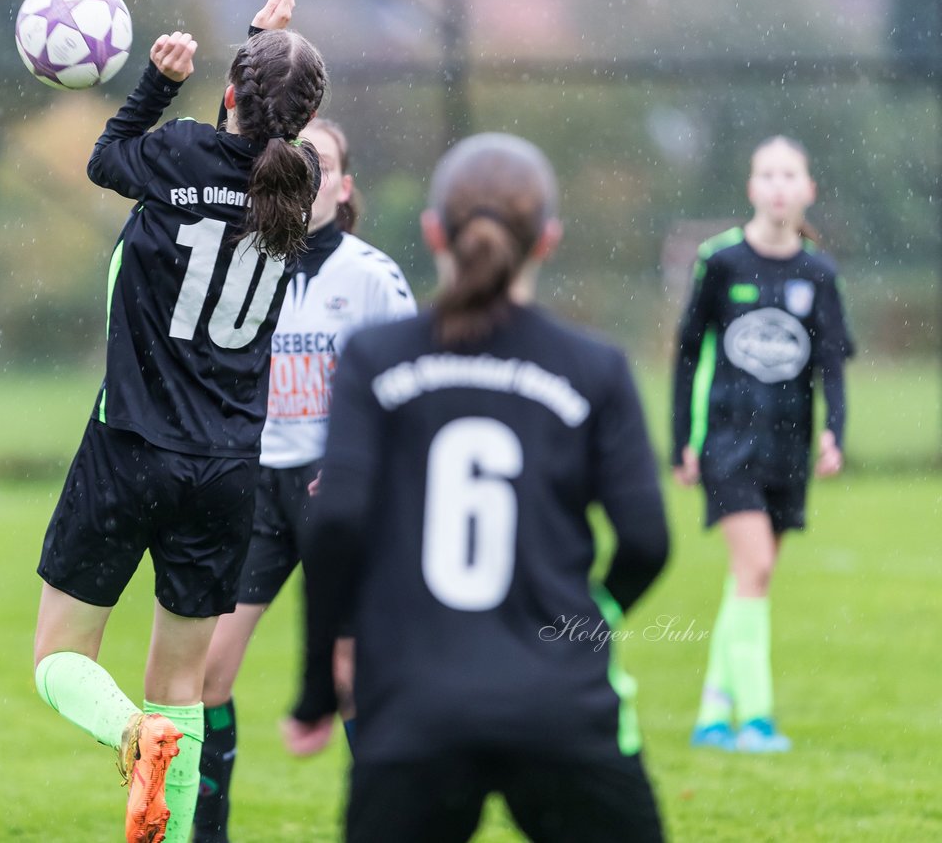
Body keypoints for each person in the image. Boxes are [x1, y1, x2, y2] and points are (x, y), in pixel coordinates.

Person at [285, 133, 669, 843]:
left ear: (434, 232)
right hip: (560, 708)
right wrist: (589, 619)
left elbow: (335, 522)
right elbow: (647, 540)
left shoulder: (376, 358)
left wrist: (316, 689)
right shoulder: (595, 368)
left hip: (412, 708)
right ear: (547, 241)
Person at [31, 0, 327, 841]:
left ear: (226, 96)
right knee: (185, 689)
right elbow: (262, 134)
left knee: (59, 658)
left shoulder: (177, 151)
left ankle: (132, 736)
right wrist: (265, 51)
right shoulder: (297, 186)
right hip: (231, 469)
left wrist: (159, 83)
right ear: (308, 122)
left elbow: (106, 157)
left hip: (130, 447)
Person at [193, 117, 417, 843]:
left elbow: (413, 396)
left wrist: (362, 471)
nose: (303, 169)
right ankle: (206, 833)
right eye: (290, 157)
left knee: (351, 679)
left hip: (338, 495)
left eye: (318, 159)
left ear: (343, 186)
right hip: (256, 491)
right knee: (204, 679)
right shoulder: (236, 265)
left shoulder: (373, 277)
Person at [675, 136, 854, 753]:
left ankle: (710, 713)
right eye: (767, 175)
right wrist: (684, 440)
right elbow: (686, 353)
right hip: (728, 443)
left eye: (790, 175)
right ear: (751, 187)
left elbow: (831, 362)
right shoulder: (720, 263)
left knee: (751, 577)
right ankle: (755, 719)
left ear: (808, 190)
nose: (778, 185)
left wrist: (835, 432)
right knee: (753, 567)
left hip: (789, 448)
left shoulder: (818, 273)